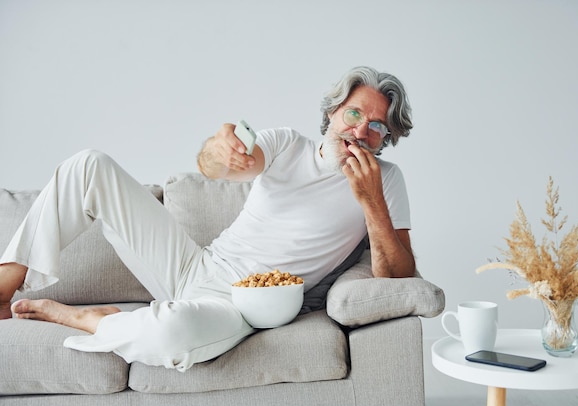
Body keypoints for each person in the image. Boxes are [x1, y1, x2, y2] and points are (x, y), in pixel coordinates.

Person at [0, 66, 415, 371]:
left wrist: (371, 202)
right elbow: (216, 167)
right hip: (196, 265)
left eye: (377, 126)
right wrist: (220, 149)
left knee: (169, 335)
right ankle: (4, 287)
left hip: (243, 308)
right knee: (88, 165)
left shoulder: (387, 182)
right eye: (355, 115)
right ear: (333, 112)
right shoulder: (289, 145)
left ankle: (87, 318)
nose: (361, 132)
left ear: (387, 140)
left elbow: (399, 276)